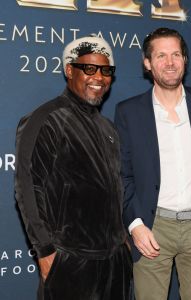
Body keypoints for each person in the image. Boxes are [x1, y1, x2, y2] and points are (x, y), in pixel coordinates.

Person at [114, 27, 191, 300]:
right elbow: (123, 174)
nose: (170, 63)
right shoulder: (128, 112)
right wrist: (135, 225)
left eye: (176, 54)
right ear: (147, 63)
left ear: (185, 60)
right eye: (161, 56)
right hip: (153, 228)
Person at [15, 35, 132, 300]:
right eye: (89, 68)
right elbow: (28, 188)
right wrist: (45, 252)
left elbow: (113, 187)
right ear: (70, 70)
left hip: (114, 263)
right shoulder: (45, 118)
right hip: (72, 263)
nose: (98, 77)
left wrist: (122, 241)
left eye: (106, 70)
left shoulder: (108, 128)